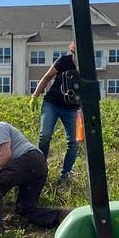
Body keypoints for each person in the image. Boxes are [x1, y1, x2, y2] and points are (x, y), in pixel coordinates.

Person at [0, 109, 65, 235]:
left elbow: (5, 155)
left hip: (29, 160)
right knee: (25, 209)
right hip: (37, 166)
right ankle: (62, 216)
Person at [31, 40, 80, 184]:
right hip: (51, 104)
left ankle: (64, 176)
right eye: (76, 53)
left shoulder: (88, 67)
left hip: (72, 109)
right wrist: (35, 95)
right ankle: (40, 169)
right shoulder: (63, 61)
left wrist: (83, 110)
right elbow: (46, 77)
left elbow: (87, 90)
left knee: (73, 143)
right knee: (44, 135)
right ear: (73, 52)